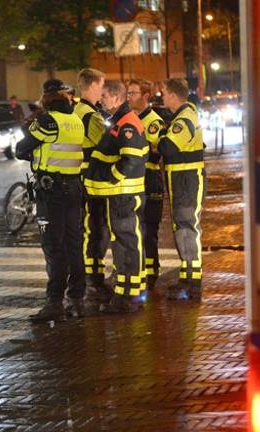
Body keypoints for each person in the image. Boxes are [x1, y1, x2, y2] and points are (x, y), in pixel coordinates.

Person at [16, 79, 86, 322]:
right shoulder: (76, 120)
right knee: (74, 243)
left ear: (45, 98)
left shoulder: (47, 121)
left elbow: (21, 148)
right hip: (74, 188)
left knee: (53, 247)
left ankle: (54, 302)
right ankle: (77, 299)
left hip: (52, 191)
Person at [83, 80, 148, 314]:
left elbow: (130, 159)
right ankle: (125, 292)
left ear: (117, 98)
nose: (101, 100)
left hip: (124, 194)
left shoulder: (127, 124)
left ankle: (129, 296)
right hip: (120, 194)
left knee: (127, 241)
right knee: (122, 242)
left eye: (104, 96)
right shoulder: (120, 121)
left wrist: (111, 177)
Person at [159, 78, 206, 302]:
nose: (162, 97)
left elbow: (168, 147)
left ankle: (193, 282)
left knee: (187, 227)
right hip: (181, 180)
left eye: (164, 94)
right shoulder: (183, 116)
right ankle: (187, 277)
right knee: (182, 228)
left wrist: (157, 137)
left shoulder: (184, 119)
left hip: (187, 181)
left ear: (173, 95)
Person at [73, 68, 110, 307]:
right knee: (95, 227)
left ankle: (90, 275)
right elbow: (107, 143)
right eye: (101, 86)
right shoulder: (90, 115)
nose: (103, 91)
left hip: (80, 176)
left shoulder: (77, 110)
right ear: (91, 86)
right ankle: (93, 278)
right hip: (91, 177)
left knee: (89, 227)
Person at [127, 79, 165, 289]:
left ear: (145, 96)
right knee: (136, 228)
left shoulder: (153, 122)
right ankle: (141, 269)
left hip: (150, 181)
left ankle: (151, 273)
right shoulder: (130, 119)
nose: (129, 97)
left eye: (133, 93)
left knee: (149, 229)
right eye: (128, 93)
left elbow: (156, 152)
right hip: (134, 181)